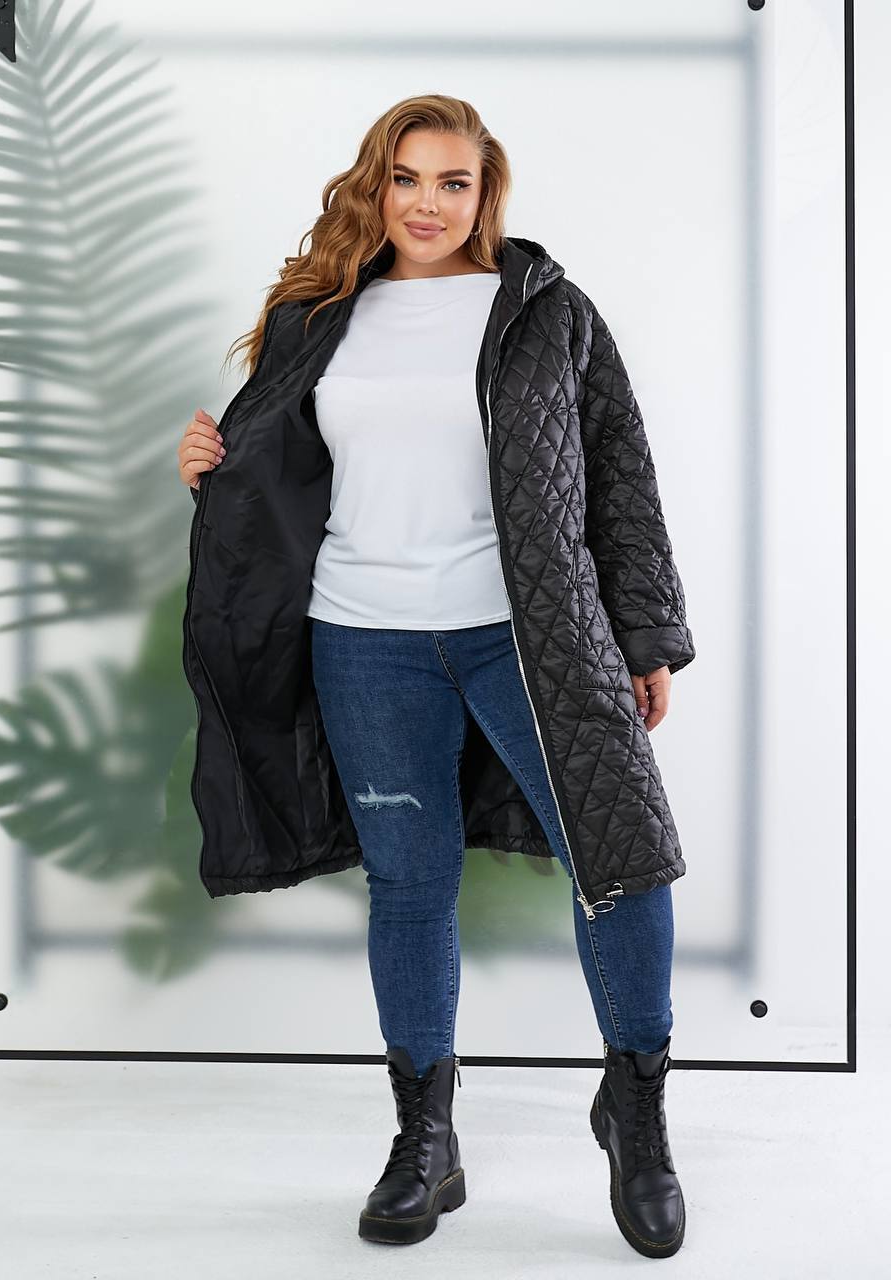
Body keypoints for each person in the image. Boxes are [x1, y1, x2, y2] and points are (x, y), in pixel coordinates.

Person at [177, 94, 695, 1259]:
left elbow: (620, 471)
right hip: (365, 638)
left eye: (453, 181)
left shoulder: (547, 310)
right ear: (378, 184)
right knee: (409, 885)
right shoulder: (316, 315)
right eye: (406, 178)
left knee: (621, 857)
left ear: (483, 191)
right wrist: (207, 464)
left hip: (530, 637)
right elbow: (276, 465)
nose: (427, 202)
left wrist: (646, 634)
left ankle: (638, 1112)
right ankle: (426, 1137)